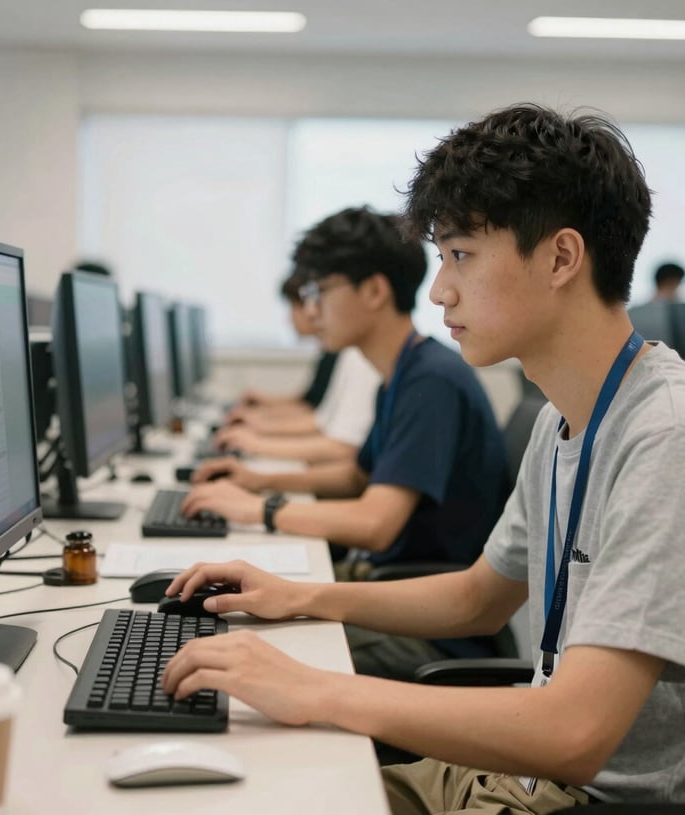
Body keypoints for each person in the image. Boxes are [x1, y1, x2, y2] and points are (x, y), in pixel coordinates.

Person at [161, 104, 685, 809]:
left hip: (577, 795)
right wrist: (300, 596)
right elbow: (476, 596)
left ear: (561, 257)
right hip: (521, 778)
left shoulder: (665, 434)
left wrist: (316, 687)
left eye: (461, 254)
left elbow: (575, 731)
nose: (439, 289)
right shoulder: (566, 418)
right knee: (242, 777)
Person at [183, 206, 510, 672]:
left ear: (374, 290)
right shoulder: (401, 374)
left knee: (236, 644)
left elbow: (376, 523)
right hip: (391, 598)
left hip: (433, 636)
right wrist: (251, 480)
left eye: (320, 292)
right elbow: (359, 474)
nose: (311, 311)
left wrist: (260, 508)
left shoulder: (430, 382)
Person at [222, 270, 380, 463]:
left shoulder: (360, 357)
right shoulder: (347, 353)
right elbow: (322, 417)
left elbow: (341, 445)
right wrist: (258, 427)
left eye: (318, 297)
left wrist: (258, 438)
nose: (310, 311)